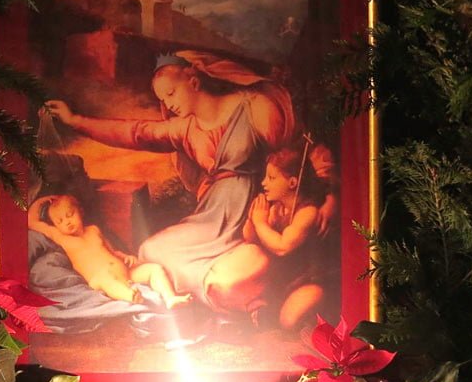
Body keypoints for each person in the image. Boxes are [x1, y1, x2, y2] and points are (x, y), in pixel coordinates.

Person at [42, 50, 296, 314]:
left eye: (171, 93)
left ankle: (234, 291)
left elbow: (287, 160)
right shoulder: (185, 128)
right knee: (150, 250)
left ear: (193, 81)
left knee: (238, 268)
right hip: (211, 213)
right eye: (163, 99)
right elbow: (135, 132)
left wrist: (279, 208)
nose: (169, 104)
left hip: (253, 209)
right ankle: (218, 292)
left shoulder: (254, 106)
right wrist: (76, 120)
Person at [29, 193, 191, 309]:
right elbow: (32, 222)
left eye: (70, 215)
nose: (67, 222)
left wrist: (126, 257)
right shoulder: (61, 237)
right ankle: (130, 296)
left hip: (125, 274)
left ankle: (170, 298)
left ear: (80, 212)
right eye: (60, 221)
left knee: (154, 269)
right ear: (55, 226)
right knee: (106, 279)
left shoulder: (93, 230)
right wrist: (42, 200)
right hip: (99, 280)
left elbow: (111, 251)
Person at [242, 145, 326, 329]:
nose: (264, 183)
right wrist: (252, 219)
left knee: (289, 321)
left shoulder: (307, 212)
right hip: (281, 281)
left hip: (306, 281)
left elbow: (282, 247)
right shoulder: (277, 210)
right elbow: (252, 240)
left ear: (292, 182)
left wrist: (260, 223)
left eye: (271, 178)